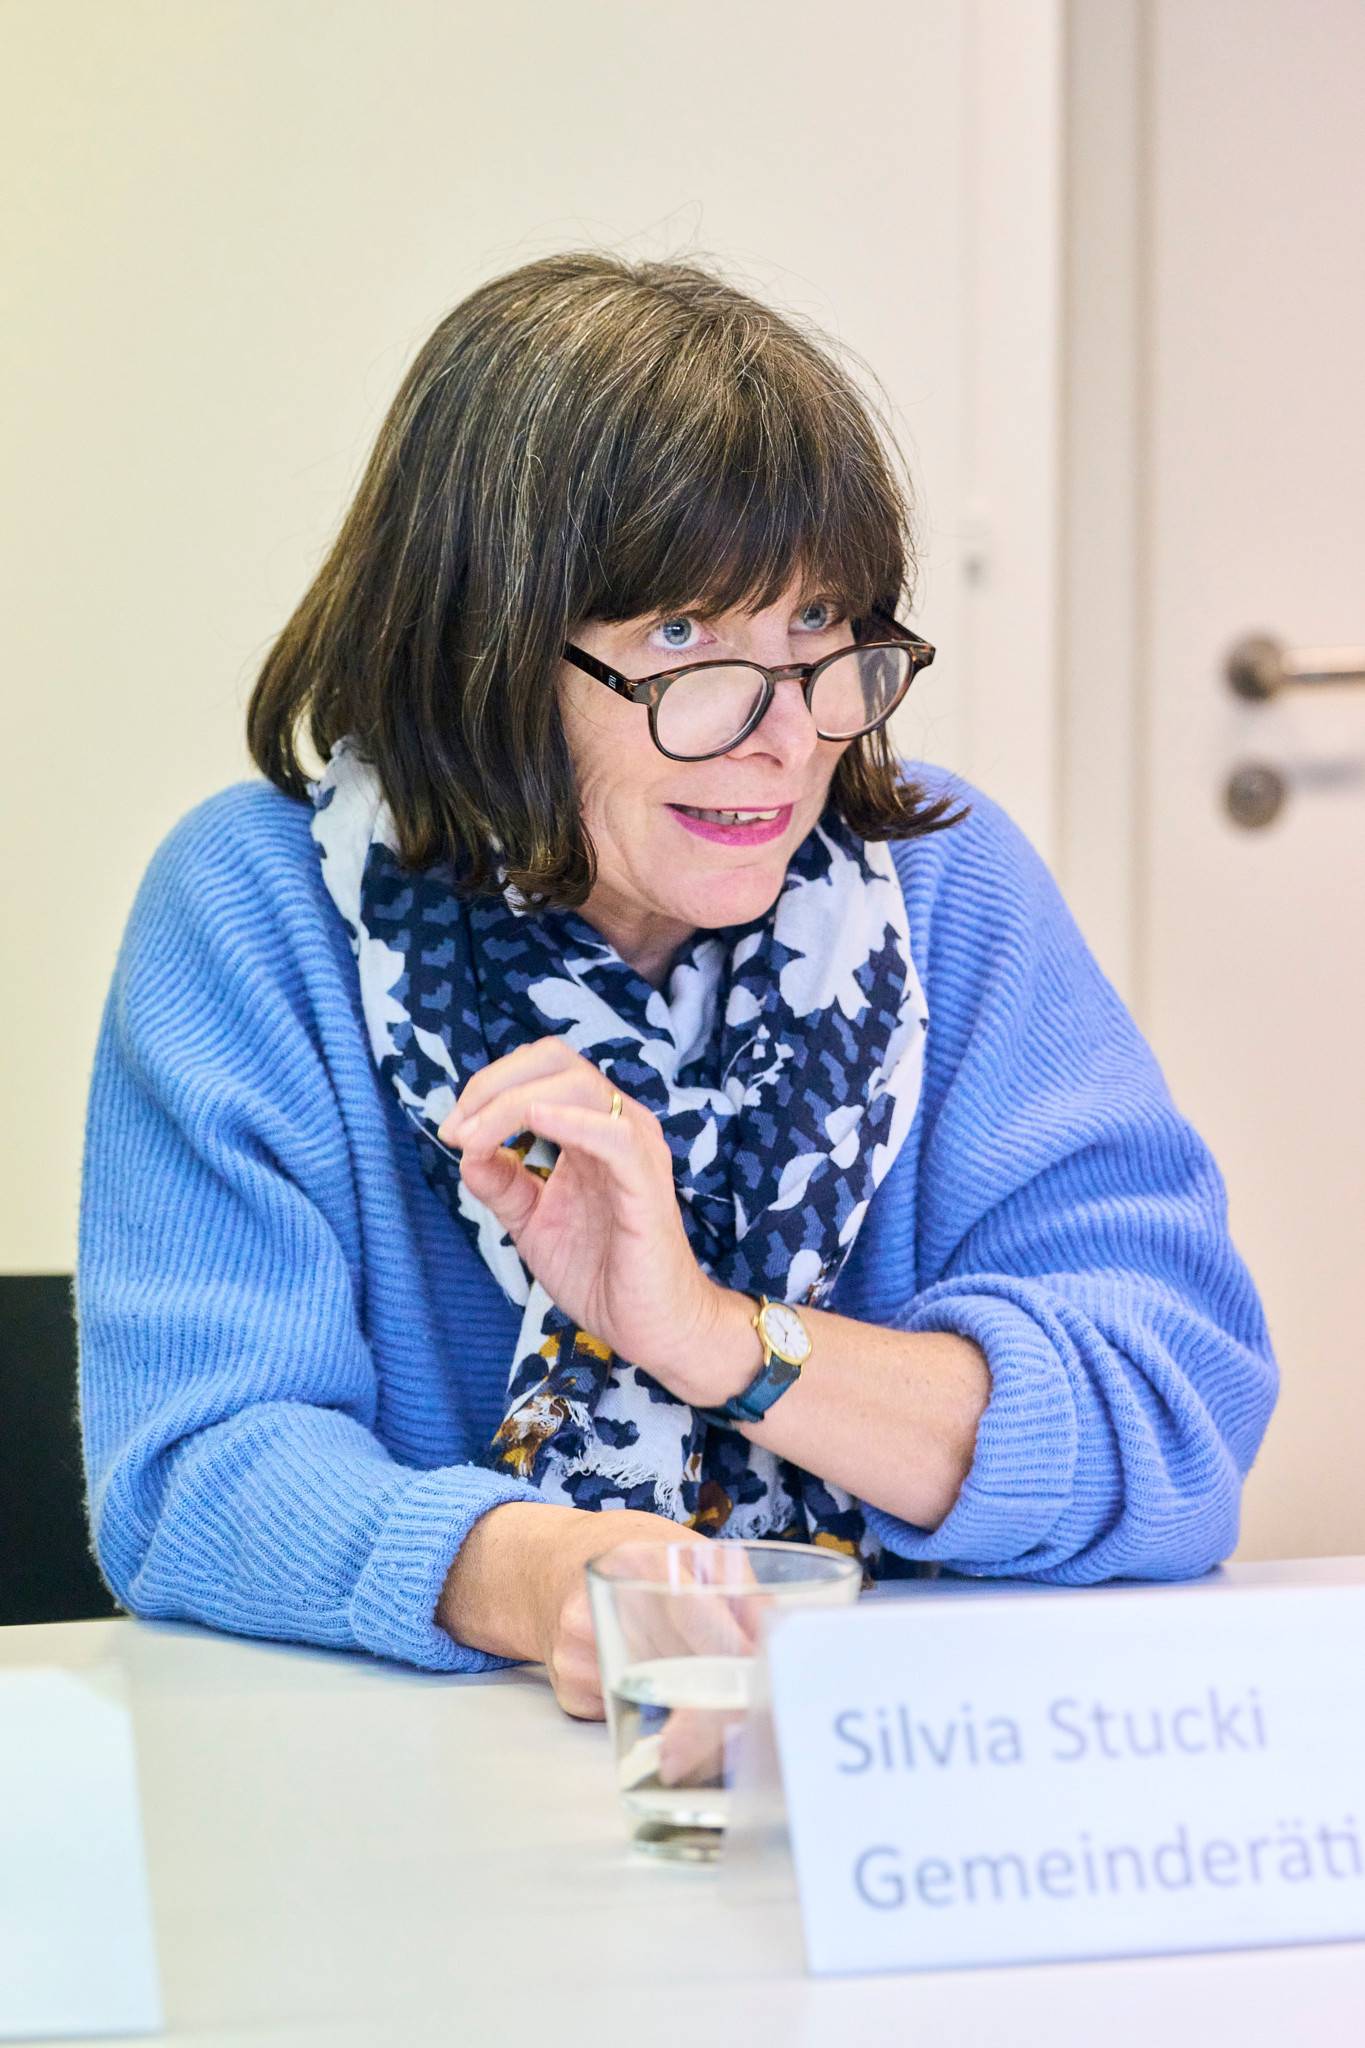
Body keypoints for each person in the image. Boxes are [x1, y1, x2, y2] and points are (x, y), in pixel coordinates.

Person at [78, 254, 1276, 1718]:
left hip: (910, 1789)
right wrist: (558, 1589)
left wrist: (716, 1336)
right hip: (420, 1793)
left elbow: (1171, 1420)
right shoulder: (256, 908)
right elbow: (199, 1469)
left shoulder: (945, 891)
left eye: (817, 631)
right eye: (682, 640)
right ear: (485, 647)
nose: (780, 735)